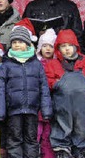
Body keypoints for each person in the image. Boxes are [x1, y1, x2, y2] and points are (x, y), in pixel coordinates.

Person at [0, 19, 52, 157]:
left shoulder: (36, 64)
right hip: (14, 109)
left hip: (32, 109)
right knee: (14, 138)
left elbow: (44, 88)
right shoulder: (7, 64)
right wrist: (1, 111)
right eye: (14, 42)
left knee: (31, 139)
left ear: (27, 44)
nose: (17, 45)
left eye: (20, 42)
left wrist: (46, 110)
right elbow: (0, 90)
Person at [44, 29, 85, 158]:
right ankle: (62, 150)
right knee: (61, 125)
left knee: (82, 127)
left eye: (69, 46)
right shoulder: (53, 64)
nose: (67, 49)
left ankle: (80, 150)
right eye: (63, 46)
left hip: (81, 105)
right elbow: (47, 80)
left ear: (75, 47)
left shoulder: (83, 62)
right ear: (58, 49)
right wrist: (56, 84)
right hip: (62, 105)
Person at [35, 29, 57, 158]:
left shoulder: (57, 64)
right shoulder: (36, 64)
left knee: (48, 135)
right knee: (36, 132)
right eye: (44, 46)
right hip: (38, 106)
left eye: (51, 46)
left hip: (52, 105)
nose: (47, 49)